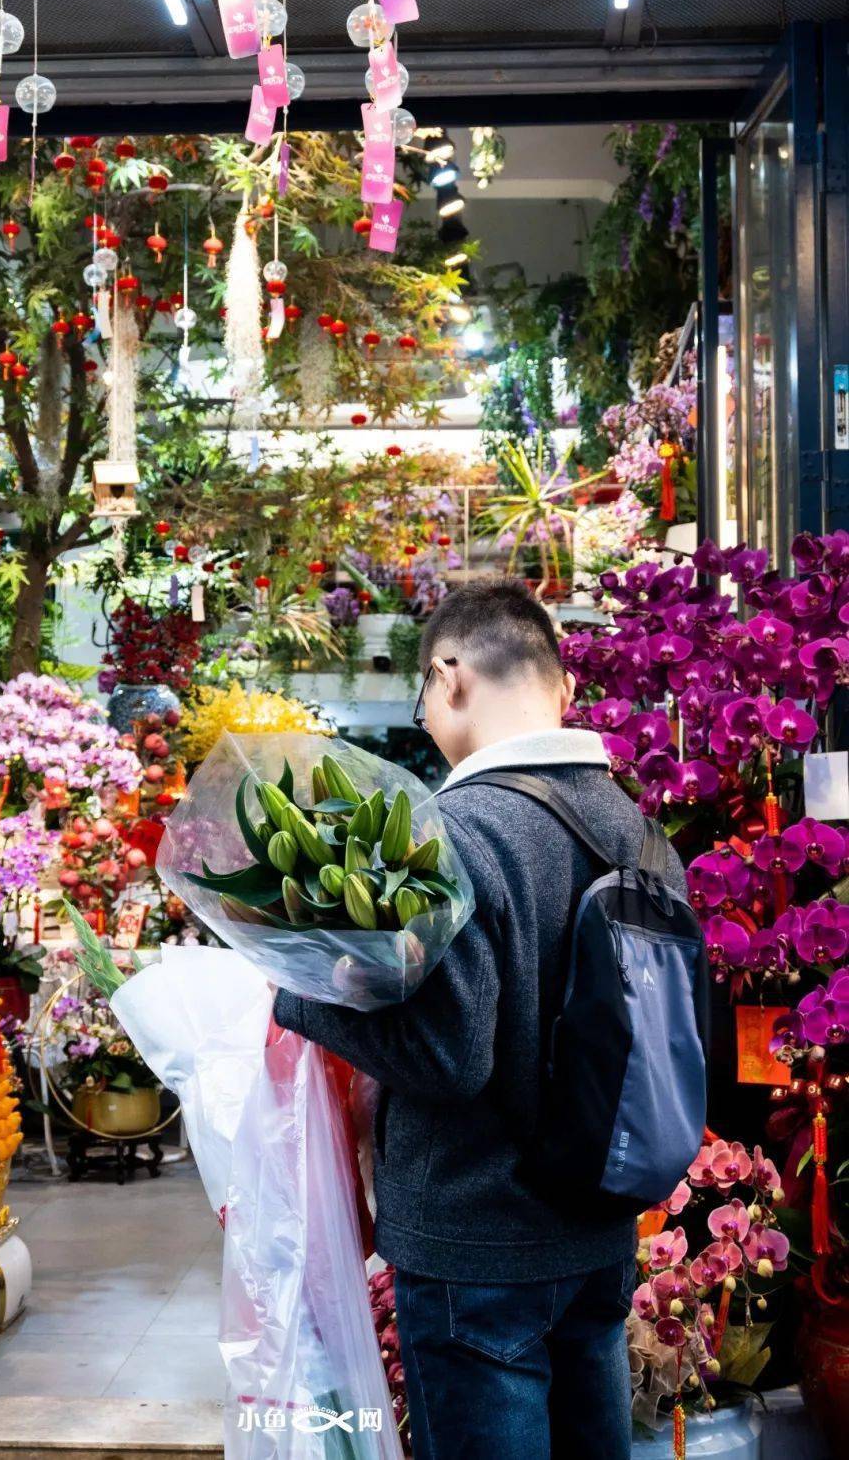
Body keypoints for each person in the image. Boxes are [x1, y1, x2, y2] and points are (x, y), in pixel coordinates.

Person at [271, 578, 686, 1459]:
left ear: (451, 674)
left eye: (423, 688)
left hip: (477, 1247)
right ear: (563, 690)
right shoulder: (639, 831)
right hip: (599, 1230)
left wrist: (301, 989)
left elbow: (448, 1056)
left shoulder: (458, 830)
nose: (424, 713)